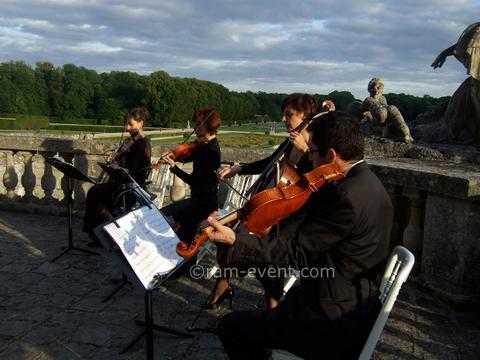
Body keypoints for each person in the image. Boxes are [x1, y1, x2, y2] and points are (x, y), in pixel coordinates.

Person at [208, 111, 393, 359]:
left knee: (230, 327)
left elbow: (296, 253)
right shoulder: (368, 183)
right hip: (350, 302)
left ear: (331, 156)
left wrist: (235, 240)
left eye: (313, 151)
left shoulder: (345, 197)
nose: (310, 157)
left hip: (329, 320)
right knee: (265, 316)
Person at [212, 93, 319, 310]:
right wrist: (238, 168)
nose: (283, 119)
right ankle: (223, 284)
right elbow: (268, 164)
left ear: (306, 115)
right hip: (277, 211)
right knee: (232, 236)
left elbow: (318, 180)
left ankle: (273, 305)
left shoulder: (317, 146)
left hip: (298, 218)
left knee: (265, 251)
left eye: (288, 114)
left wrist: (306, 152)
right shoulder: (289, 142)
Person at [83, 107, 151, 247]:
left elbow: (137, 172)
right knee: (96, 192)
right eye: (127, 124)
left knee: (95, 192)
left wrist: (120, 168)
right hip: (120, 182)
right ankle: (99, 232)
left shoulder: (143, 144)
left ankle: (99, 234)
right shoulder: (130, 141)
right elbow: (122, 164)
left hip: (130, 187)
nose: (127, 127)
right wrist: (113, 162)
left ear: (141, 123)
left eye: (131, 124)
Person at [160, 108, 221, 246]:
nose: (195, 128)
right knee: (167, 215)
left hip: (204, 205)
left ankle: (183, 260)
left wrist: (174, 168)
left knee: (174, 223)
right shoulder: (203, 146)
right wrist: (173, 156)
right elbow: (187, 156)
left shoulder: (211, 152)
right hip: (198, 200)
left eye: (199, 124)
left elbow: (195, 182)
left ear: (209, 126)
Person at [431, 22, 480, 143]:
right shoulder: (477, 31)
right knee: (472, 91)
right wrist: (444, 54)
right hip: (475, 83)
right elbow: (465, 45)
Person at [360, 78, 414, 143]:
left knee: (372, 117)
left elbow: (361, 110)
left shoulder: (368, 100)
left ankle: (384, 128)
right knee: (401, 122)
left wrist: (367, 115)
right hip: (391, 108)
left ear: (369, 89)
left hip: (380, 114)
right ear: (381, 89)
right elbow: (386, 109)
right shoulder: (383, 98)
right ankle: (407, 135)